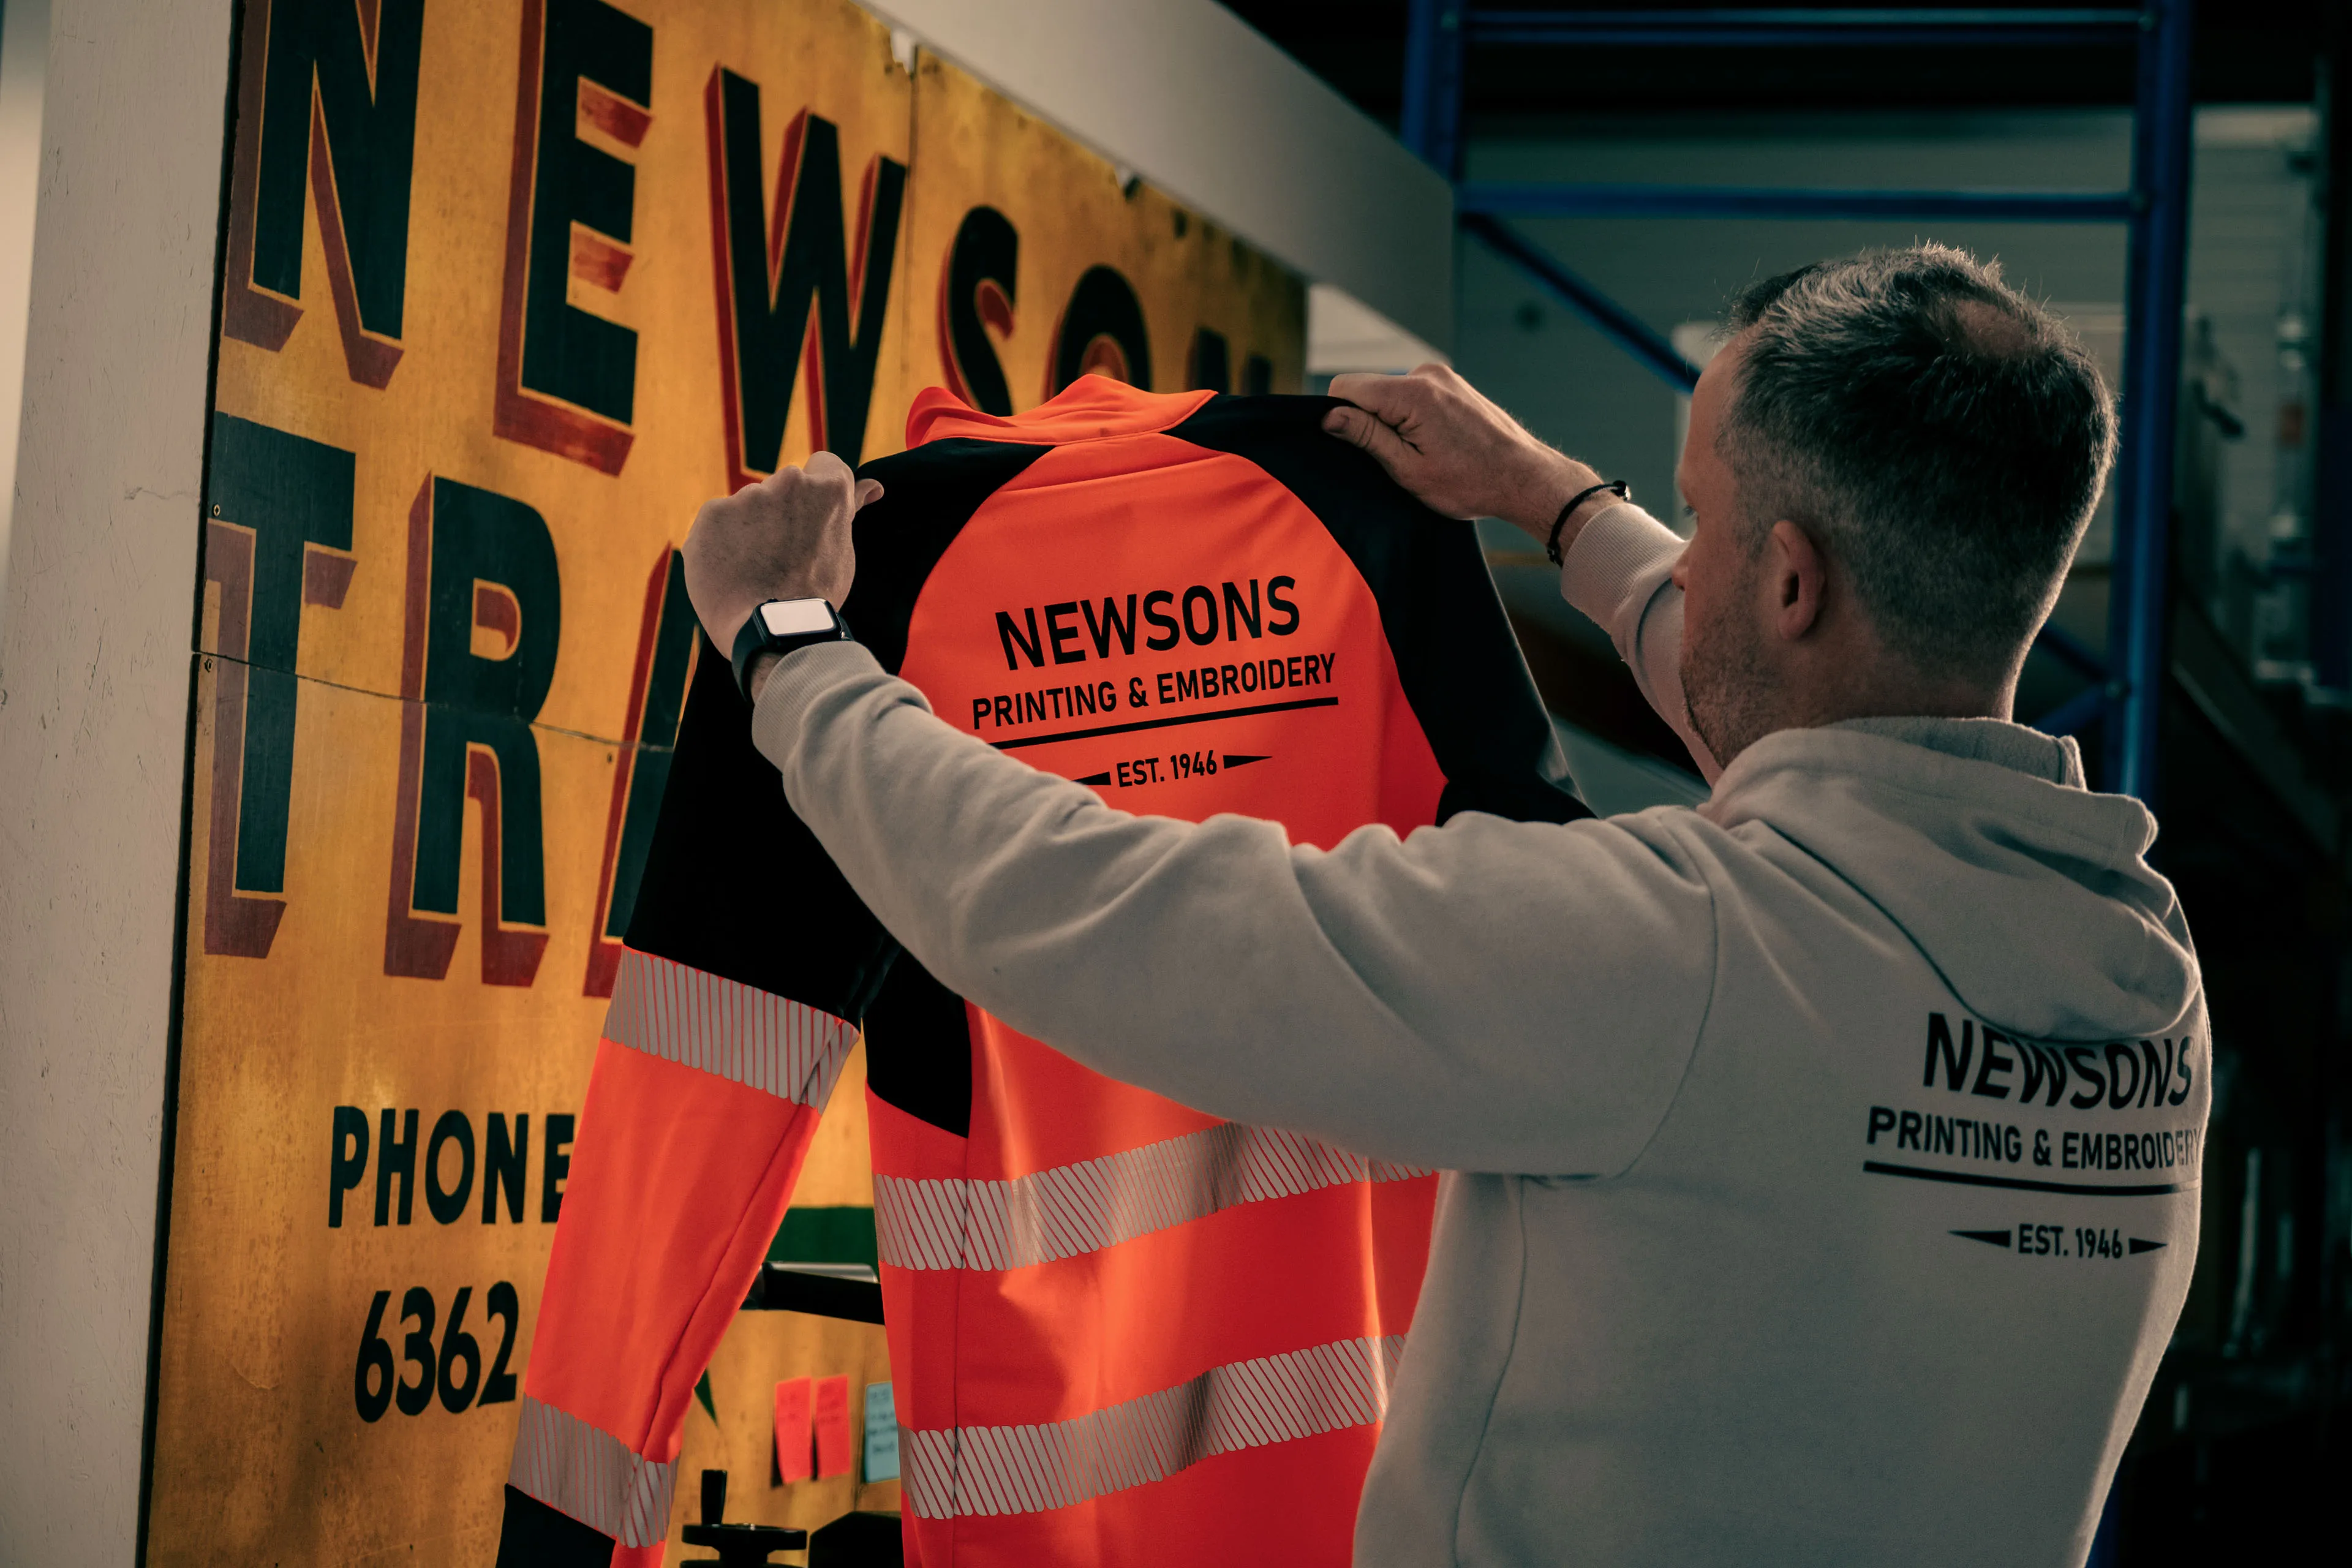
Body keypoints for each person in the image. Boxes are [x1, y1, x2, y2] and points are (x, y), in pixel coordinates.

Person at [681, 244, 2207, 1566]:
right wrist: (1553, 502)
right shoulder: (2143, 977)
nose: (1684, 544)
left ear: (1792, 580)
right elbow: (1814, 725)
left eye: (1702, 515)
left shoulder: (1674, 959)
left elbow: (1099, 905)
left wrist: (795, 649)